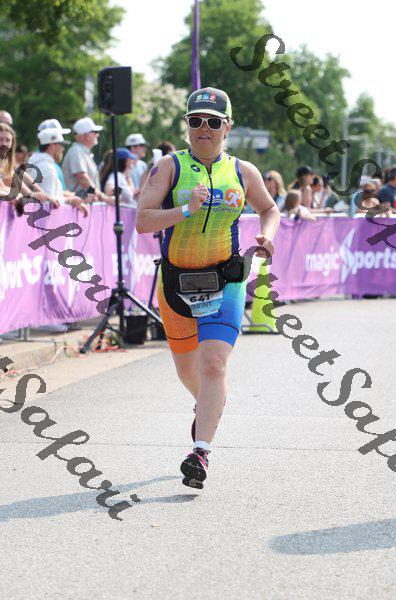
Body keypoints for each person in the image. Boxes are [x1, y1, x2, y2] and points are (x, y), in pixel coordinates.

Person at [136, 86, 280, 489]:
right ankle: (209, 407)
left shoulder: (243, 171)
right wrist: (185, 209)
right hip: (176, 282)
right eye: (196, 120)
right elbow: (142, 221)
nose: (204, 128)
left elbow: (269, 208)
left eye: (213, 122)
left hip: (226, 278)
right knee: (187, 370)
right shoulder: (169, 167)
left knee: (213, 364)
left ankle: (200, 451)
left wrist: (267, 236)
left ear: (227, 127)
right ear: (186, 125)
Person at [28, 128, 88, 216]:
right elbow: (48, 203)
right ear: (52, 146)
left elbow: (46, 195)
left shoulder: (38, 164)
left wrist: (64, 195)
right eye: (61, 144)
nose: (63, 149)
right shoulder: (47, 169)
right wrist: (70, 201)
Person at [62, 116, 112, 203]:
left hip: (82, 205)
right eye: (95, 132)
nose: (97, 135)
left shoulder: (82, 152)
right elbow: (82, 178)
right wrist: (102, 197)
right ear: (87, 135)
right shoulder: (76, 151)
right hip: (78, 207)